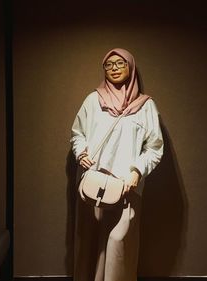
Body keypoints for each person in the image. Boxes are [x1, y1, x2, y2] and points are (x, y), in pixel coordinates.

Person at [70, 48, 164, 281]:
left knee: (118, 245)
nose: (113, 68)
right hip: (92, 185)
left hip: (126, 187)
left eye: (119, 63)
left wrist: (137, 172)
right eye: (108, 64)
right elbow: (77, 133)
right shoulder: (93, 100)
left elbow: (154, 147)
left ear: (130, 67)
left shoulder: (145, 106)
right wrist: (80, 152)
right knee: (90, 246)